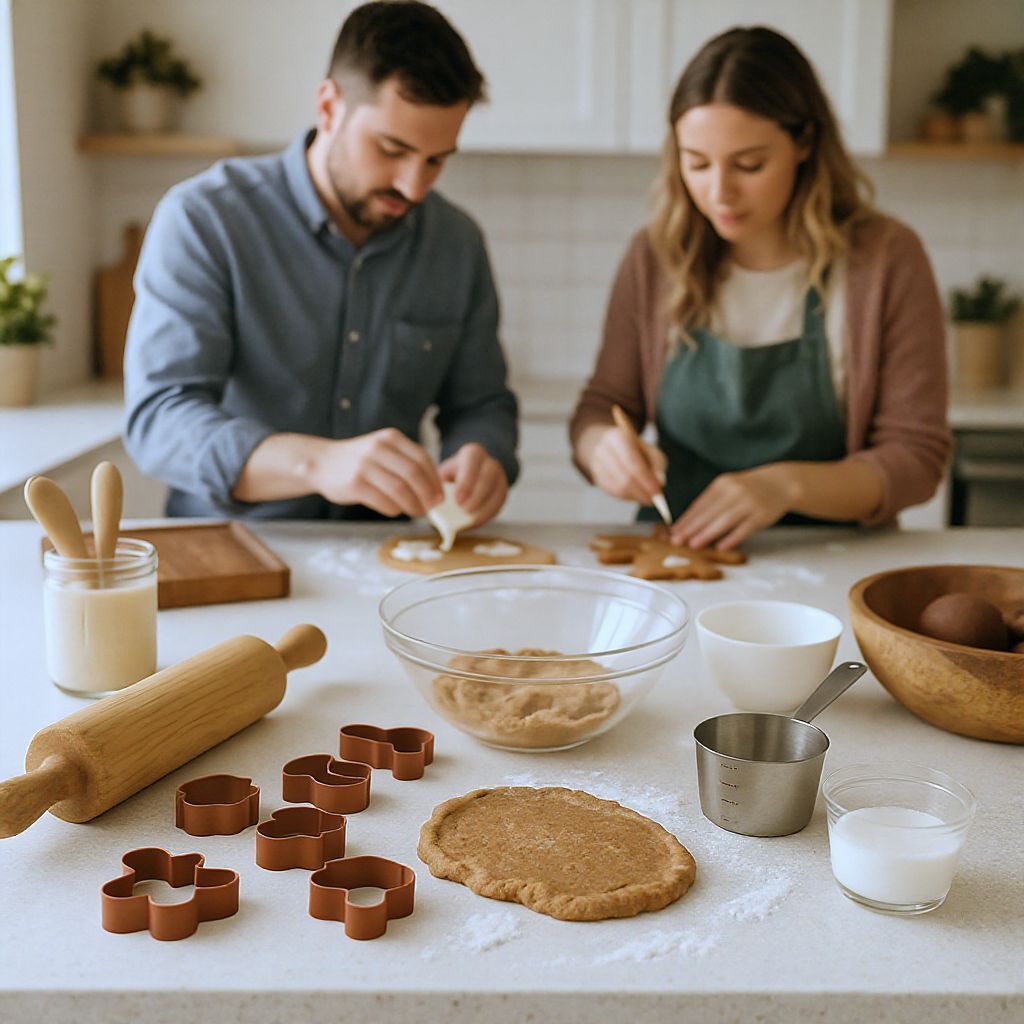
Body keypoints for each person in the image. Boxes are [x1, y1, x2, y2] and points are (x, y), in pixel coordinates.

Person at [124, 0, 517, 524]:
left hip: (386, 558)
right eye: (392, 149)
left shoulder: (456, 242)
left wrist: (482, 454)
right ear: (329, 107)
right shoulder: (205, 220)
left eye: (436, 160)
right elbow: (159, 419)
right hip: (233, 549)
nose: (414, 186)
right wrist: (315, 463)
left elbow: (481, 403)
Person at [570, 26, 950, 550]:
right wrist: (603, 448)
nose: (719, 192)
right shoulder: (655, 256)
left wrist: (783, 485)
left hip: (833, 558)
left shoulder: (885, 260)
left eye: (749, 164)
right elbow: (601, 407)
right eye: (697, 163)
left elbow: (916, 458)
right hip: (677, 554)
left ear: (804, 143)